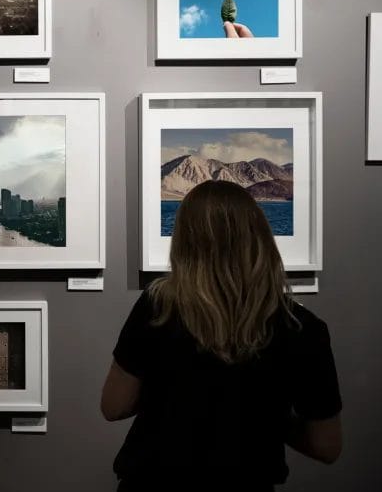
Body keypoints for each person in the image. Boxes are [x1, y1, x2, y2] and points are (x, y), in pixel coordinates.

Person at [102, 180, 342, 491]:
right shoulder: (303, 327)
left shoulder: (156, 307)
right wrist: (267, 415)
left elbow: (114, 406)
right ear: (261, 238)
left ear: (184, 241)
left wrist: (169, 393)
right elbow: (327, 446)